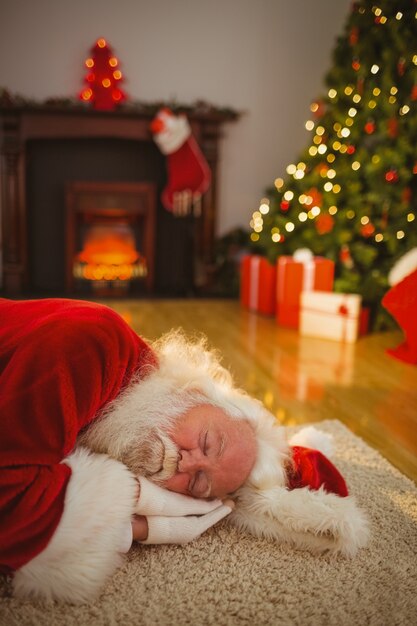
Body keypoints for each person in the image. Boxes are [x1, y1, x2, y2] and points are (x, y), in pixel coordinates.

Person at [0, 298, 369, 605]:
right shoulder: (92, 344)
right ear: (195, 393)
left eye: (197, 484)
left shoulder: (119, 424)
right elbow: (11, 505)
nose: (188, 461)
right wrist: (136, 521)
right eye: (208, 442)